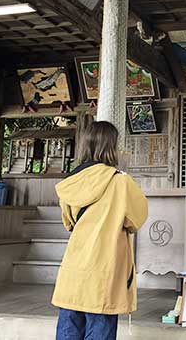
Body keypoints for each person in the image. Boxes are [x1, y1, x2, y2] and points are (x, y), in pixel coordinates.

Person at [52, 121, 148, 340]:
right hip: (105, 271)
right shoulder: (120, 182)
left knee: (68, 328)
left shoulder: (71, 182)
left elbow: (68, 223)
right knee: (100, 328)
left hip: (74, 270)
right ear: (112, 147)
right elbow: (136, 219)